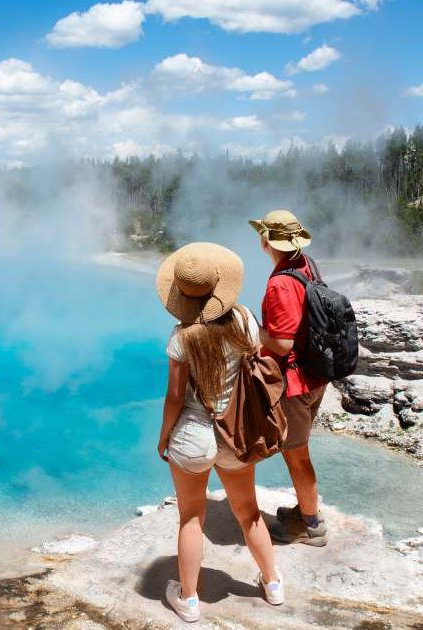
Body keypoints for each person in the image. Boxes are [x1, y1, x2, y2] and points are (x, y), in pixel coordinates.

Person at [154, 242, 285, 623]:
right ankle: (272, 583)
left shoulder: (181, 337)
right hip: (235, 433)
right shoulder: (243, 320)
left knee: (191, 518)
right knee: (248, 513)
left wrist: (164, 437)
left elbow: (175, 398)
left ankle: (189, 599)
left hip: (192, 436)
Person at [248, 209, 330, 546]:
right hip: (316, 373)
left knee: (296, 454)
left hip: (295, 383)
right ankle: (305, 509)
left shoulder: (281, 283)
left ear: (266, 241)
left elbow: (281, 343)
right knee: (298, 450)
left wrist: (256, 333)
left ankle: (311, 525)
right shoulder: (306, 264)